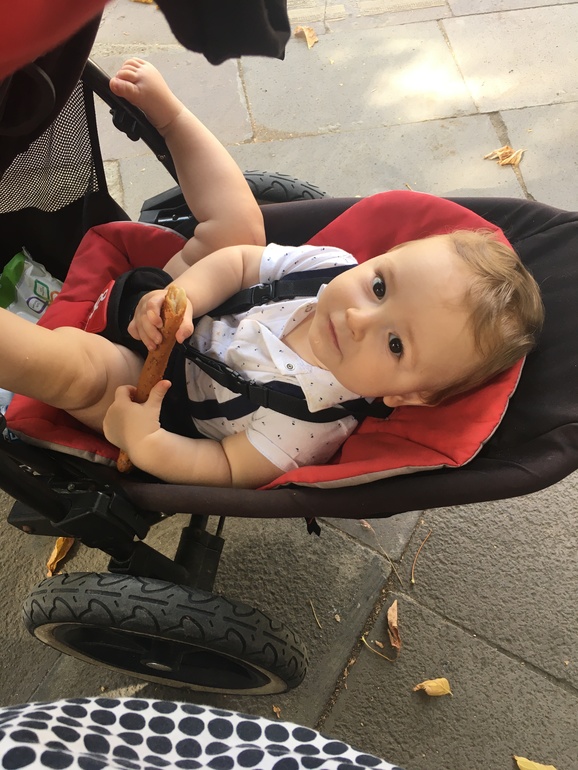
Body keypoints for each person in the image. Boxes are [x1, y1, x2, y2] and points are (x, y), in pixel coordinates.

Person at [0, 59, 544, 489]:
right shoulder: (331, 268)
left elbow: (224, 467)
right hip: (180, 304)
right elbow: (238, 263)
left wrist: (146, 443)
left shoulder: (309, 424)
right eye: (379, 287)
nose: (358, 318)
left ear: (407, 397)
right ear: (379, 259)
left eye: (396, 344)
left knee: (83, 373)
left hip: (149, 393)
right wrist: (181, 295)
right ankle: (173, 121)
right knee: (242, 228)